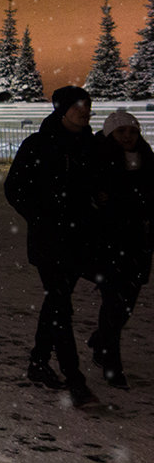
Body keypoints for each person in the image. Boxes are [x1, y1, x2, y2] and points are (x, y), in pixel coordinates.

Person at [4, 85, 98, 407]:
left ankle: (38, 362)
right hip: (49, 240)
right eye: (78, 107)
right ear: (62, 110)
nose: (85, 111)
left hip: (79, 239)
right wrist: (40, 216)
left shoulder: (91, 146)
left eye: (87, 106)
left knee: (57, 302)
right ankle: (75, 380)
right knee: (60, 305)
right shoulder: (39, 145)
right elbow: (14, 187)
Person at [86, 110, 154, 390]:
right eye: (121, 131)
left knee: (126, 306)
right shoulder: (98, 158)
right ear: (110, 133)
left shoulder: (147, 159)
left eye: (132, 131)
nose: (127, 136)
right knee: (114, 304)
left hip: (138, 244)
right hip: (109, 243)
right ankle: (111, 364)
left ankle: (100, 340)